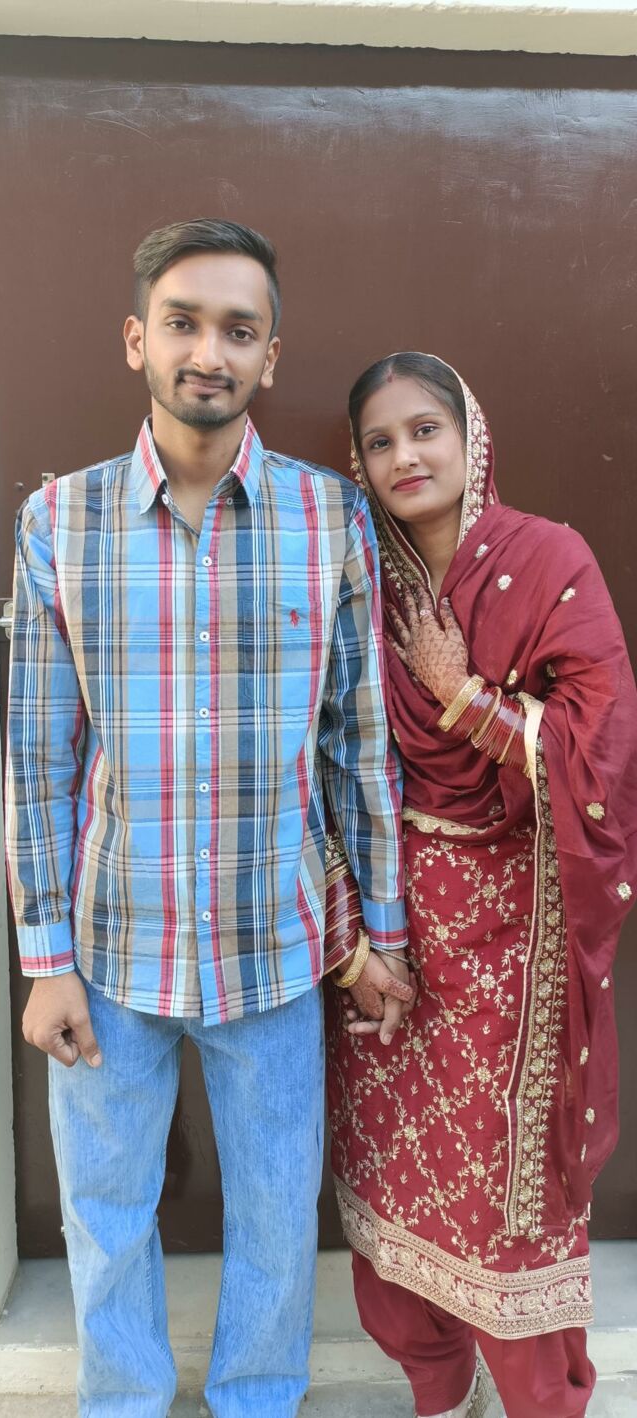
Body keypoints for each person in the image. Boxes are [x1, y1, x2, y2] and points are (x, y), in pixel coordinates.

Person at [5, 219, 413, 1418]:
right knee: (106, 1206)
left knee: (279, 1208)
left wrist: (380, 931)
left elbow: (358, 746)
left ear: (269, 356)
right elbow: (34, 755)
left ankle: (256, 1397)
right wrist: (42, 959)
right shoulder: (61, 521)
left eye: (239, 330)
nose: (209, 352)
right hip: (109, 947)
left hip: (275, 947)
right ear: (137, 338)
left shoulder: (328, 519)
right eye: (183, 322)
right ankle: (122, 1399)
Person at [324, 352, 637, 1418]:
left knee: (508, 1190)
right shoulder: (355, 575)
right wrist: (354, 934)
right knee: (393, 1165)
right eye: (379, 441)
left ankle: (540, 1399)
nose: (404, 456)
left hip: (516, 933)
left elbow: (602, 755)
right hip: (387, 927)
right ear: (358, 462)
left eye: (426, 430)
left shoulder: (550, 559)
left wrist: (464, 699)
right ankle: (436, 1385)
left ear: (472, 437)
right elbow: (320, 749)